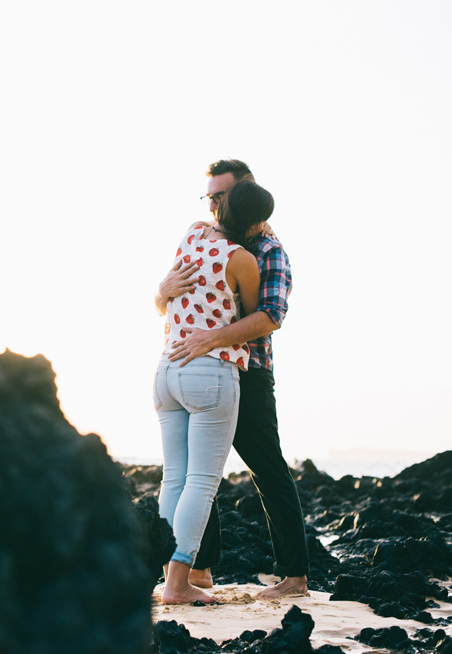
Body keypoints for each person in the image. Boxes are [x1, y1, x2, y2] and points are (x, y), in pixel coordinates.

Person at [158, 159, 309, 600]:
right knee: (198, 473)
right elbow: (169, 306)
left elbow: (270, 317)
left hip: (250, 374)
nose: (214, 206)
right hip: (202, 369)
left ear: (245, 194)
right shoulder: (203, 238)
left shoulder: (268, 250)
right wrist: (161, 290)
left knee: (267, 470)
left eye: (221, 197)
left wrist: (212, 339)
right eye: (210, 197)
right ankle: (198, 569)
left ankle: (294, 576)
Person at [152, 180, 272, 604]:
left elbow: (169, 295)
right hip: (210, 371)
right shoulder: (242, 260)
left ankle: (164, 576)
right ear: (254, 222)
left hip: (167, 368)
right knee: (201, 483)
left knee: (173, 478)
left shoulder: (192, 233)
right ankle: (178, 585)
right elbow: (254, 316)